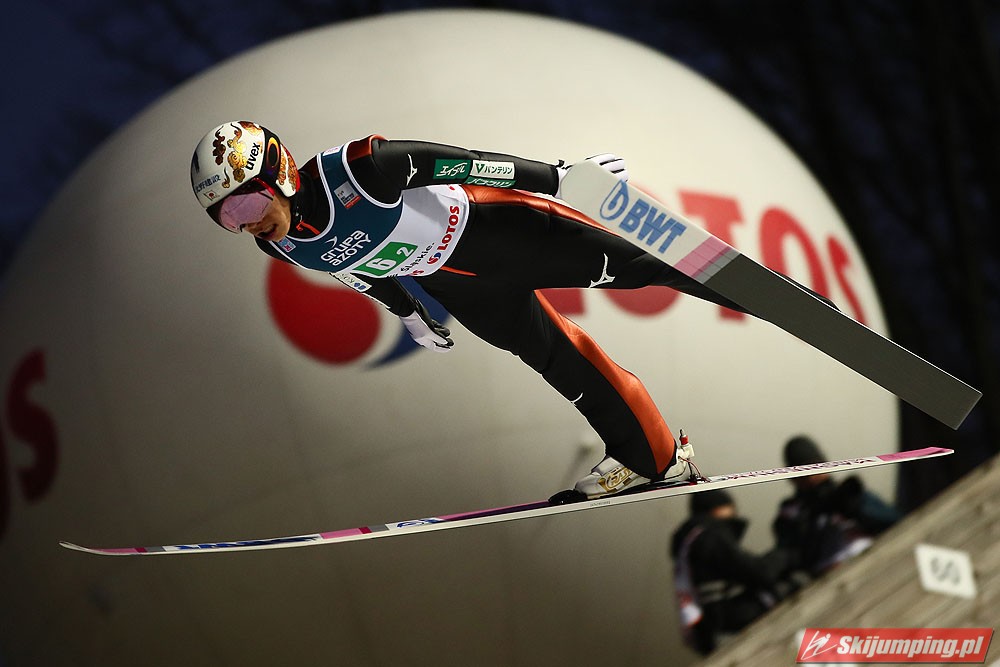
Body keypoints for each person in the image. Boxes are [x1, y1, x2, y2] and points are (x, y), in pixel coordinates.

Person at [190, 120, 751, 500]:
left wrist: (559, 178)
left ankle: (773, 297)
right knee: (559, 359)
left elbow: (468, 165)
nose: (247, 222)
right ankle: (652, 457)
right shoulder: (280, 244)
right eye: (227, 218)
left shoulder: (362, 169)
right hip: (462, 288)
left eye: (247, 201)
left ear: (280, 172)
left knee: (646, 265)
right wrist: (408, 313)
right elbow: (356, 269)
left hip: (497, 230)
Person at [670, 489, 792, 655]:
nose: (734, 512)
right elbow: (757, 572)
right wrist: (785, 554)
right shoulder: (710, 537)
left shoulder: (688, 544)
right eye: (730, 507)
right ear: (718, 508)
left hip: (712, 630)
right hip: (734, 623)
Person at [772, 435, 902, 577]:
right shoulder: (791, 513)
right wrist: (812, 520)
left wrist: (856, 508)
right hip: (832, 577)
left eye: (815, 466)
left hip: (873, 562)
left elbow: (894, 521)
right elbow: (793, 554)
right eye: (803, 471)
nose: (812, 476)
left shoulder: (846, 494)